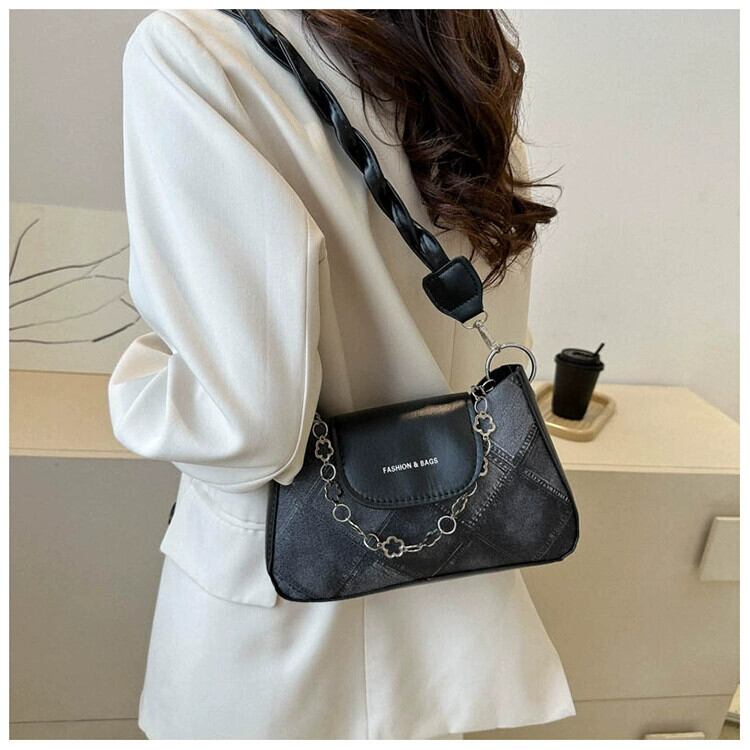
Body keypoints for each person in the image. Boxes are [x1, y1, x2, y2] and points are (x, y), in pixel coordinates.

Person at [108, 8, 575, 740]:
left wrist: (138, 389)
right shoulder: (460, 53)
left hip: (280, 634)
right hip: (447, 613)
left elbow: (248, 426)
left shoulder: (193, 48)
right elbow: (501, 328)